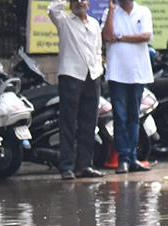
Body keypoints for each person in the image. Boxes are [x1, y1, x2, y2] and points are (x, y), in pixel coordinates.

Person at [48, 0, 105, 180]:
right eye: (75, 0)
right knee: (68, 124)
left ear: (89, 4)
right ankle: (66, 166)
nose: (80, 2)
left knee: (89, 124)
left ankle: (84, 165)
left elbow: (97, 49)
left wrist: (98, 69)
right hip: (71, 76)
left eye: (83, 0)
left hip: (92, 76)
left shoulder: (94, 24)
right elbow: (52, 9)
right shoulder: (64, 21)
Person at [102, 0, 153, 173]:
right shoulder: (111, 13)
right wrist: (110, 10)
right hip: (117, 73)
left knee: (134, 117)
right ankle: (123, 158)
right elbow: (108, 36)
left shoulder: (143, 11)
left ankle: (132, 158)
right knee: (120, 117)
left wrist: (121, 38)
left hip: (138, 73)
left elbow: (146, 36)